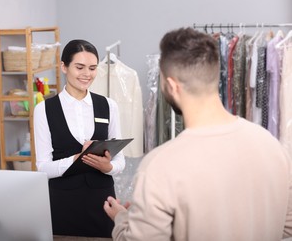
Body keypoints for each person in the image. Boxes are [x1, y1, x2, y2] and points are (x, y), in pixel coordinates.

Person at [103, 27, 292, 241]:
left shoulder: (159, 166)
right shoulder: (273, 148)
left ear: (172, 86)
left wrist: (122, 220)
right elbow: (286, 229)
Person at [33, 39, 125, 237]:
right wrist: (76, 160)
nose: (87, 74)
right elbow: (42, 167)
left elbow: (120, 161)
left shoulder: (109, 106)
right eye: (80, 67)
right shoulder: (44, 110)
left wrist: (107, 167)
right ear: (64, 67)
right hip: (62, 201)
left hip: (102, 201)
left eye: (92, 68)